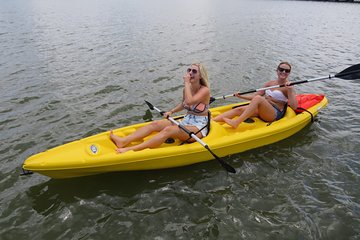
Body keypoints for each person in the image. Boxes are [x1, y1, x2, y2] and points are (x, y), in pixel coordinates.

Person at [110, 63, 211, 153]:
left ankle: (132, 149)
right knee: (155, 124)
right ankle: (123, 141)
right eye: (189, 70)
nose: (190, 73)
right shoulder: (187, 89)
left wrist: (186, 83)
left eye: (194, 71)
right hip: (186, 121)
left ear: (200, 75)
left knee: (168, 130)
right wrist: (171, 111)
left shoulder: (204, 90)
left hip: (198, 127)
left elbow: (190, 101)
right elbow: (184, 104)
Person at [213, 62, 298, 128]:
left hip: (274, 114)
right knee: (239, 110)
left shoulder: (288, 87)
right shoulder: (269, 83)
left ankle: (236, 122)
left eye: (287, 71)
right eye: (281, 69)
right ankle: (211, 121)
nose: (283, 72)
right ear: (277, 70)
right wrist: (240, 96)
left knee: (259, 98)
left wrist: (290, 90)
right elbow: (254, 97)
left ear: (289, 73)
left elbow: (294, 106)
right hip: (263, 109)